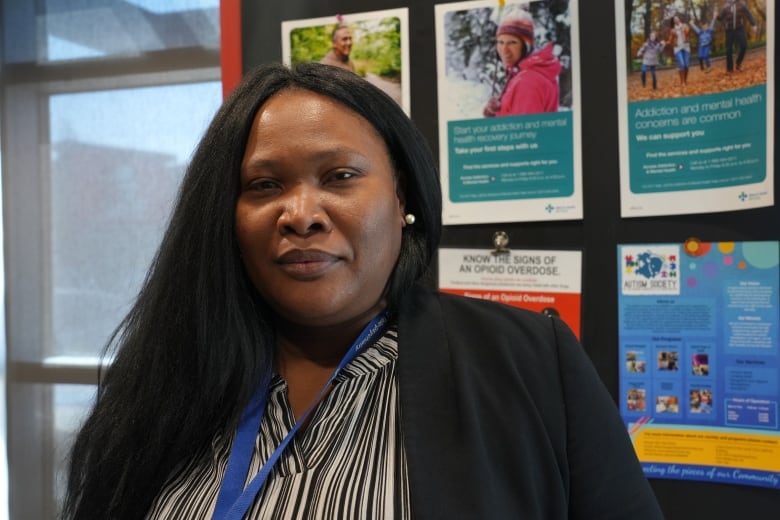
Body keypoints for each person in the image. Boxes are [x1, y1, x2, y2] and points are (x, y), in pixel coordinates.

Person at [63, 62, 663, 519]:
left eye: (340, 176)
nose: (301, 214)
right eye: (265, 185)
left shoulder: (528, 361)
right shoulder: (168, 378)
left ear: (401, 197)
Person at [483, 10, 562, 117]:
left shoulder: (528, 82)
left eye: (512, 42)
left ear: (526, 46)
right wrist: (497, 113)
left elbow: (525, 132)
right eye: (500, 42)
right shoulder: (529, 71)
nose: (504, 50)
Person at [717, 0, 757, 73]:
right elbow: (721, 17)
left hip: (739, 28)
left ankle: (738, 63)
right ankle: (730, 69)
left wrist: (753, 24)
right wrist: (717, 16)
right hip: (729, 30)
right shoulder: (726, 5)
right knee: (729, 49)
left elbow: (748, 14)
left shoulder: (742, 3)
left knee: (744, 45)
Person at [666, 15, 692, 87]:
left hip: (686, 47)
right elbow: (670, 40)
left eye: (677, 19)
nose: (676, 20)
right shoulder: (672, 30)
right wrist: (665, 42)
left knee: (686, 65)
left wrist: (689, 27)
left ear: (679, 19)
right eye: (675, 19)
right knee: (682, 65)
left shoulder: (684, 26)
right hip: (677, 48)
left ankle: (685, 80)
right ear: (673, 21)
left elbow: (688, 32)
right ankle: (682, 82)